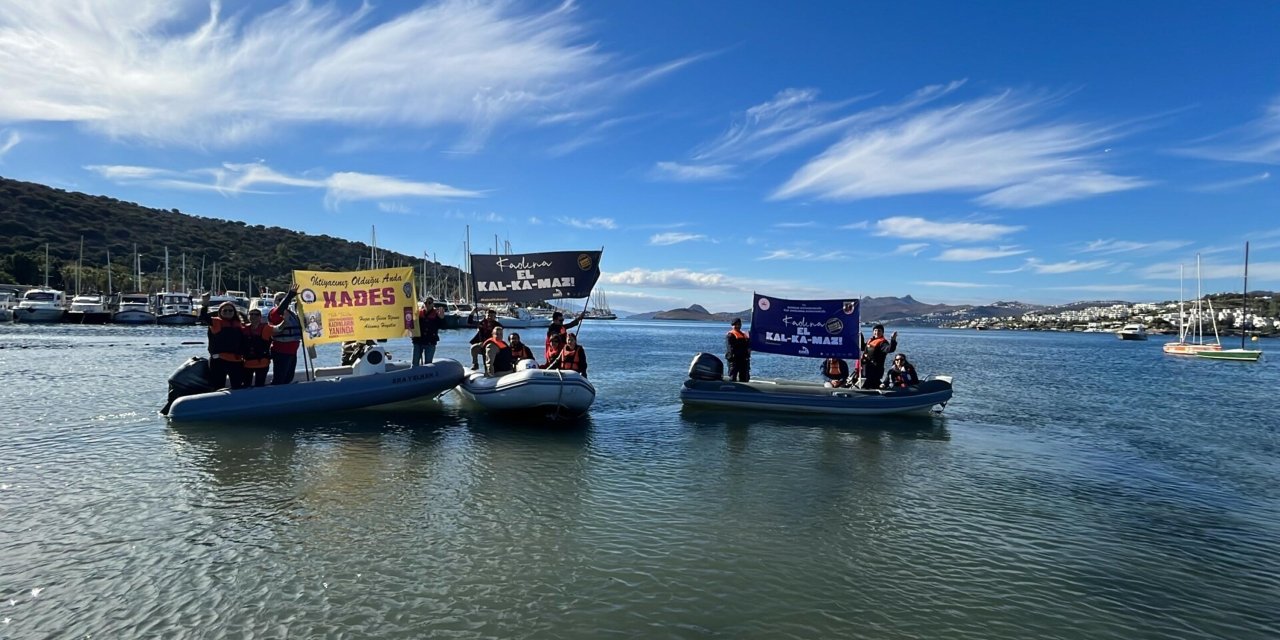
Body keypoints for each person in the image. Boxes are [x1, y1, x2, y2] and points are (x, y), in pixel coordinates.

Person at [199, 297, 247, 390]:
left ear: (234, 312)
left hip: (236, 360)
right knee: (218, 385)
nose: (228, 312)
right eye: (225, 311)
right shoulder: (215, 322)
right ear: (220, 312)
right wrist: (205, 304)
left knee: (237, 385)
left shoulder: (239, 324)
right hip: (219, 361)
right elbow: (203, 317)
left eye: (230, 310)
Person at [268, 284, 301, 385]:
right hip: (281, 352)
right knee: (280, 378)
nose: (282, 301)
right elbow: (281, 308)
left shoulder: (292, 314)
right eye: (279, 299)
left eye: (283, 299)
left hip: (292, 351)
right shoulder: (275, 313)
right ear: (275, 302)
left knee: (288, 377)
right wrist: (290, 294)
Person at [859, 324, 898, 389]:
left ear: (882, 332)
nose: (877, 332)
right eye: (875, 330)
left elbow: (889, 349)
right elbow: (863, 347)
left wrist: (893, 340)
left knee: (871, 384)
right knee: (866, 384)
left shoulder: (883, 343)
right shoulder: (871, 340)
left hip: (875, 370)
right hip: (866, 368)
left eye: (879, 331)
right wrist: (860, 335)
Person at [242, 308, 273, 387]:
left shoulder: (267, 328)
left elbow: (279, 329)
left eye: (256, 314)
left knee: (259, 385)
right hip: (247, 363)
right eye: (251, 314)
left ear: (260, 317)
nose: (253, 316)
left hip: (262, 363)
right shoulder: (243, 328)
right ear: (248, 316)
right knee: (246, 385)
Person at [413, 297, 445, 366]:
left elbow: (443, 326)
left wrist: (441, 318)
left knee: (428, 364)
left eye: (429, 303)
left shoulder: (436, 314)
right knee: (415, 363)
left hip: (430, 342)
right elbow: (413, 325)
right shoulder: (419, 313)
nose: (427, 304)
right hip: (418, 341)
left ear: (432, 304)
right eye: (425, 303)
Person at [725, 317, 750, 382]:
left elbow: (748, 344)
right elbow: (729, 347)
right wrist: (731, 357)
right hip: (734, 359)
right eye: (735, 325)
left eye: (739, 324)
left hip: (743, 359)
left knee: (744, 377)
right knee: (733, 377)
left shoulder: (744, 335)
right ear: (732, 326)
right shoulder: (730, 335)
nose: (737, 326)